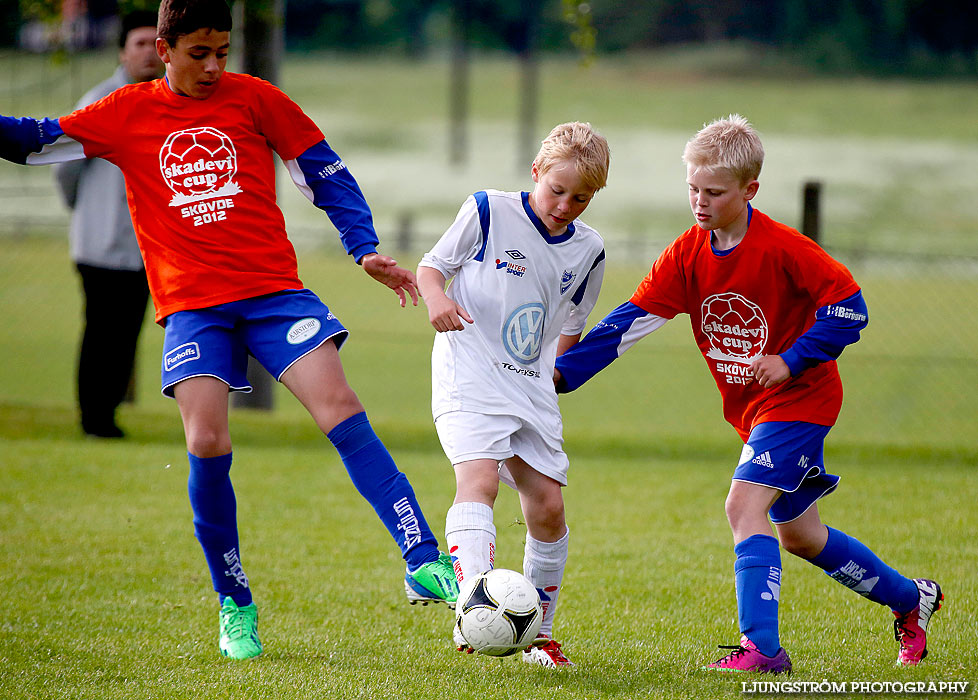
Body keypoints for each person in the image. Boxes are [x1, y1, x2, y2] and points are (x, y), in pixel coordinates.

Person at [0, 0, 458, 660]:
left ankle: (422, 558)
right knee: (207, 439)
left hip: (274, 295)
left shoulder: (256, 100)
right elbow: (31, 139)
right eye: (199, 53)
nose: (215, 66)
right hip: (194, 308)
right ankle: (234, 602)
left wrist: (363, 248)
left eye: (224, 51)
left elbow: (325, 172)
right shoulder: (125, 114)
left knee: (341, 407)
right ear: (163, 49)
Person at [554, 115, 942, 673]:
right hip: (754, 412)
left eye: (713, 192)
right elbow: (629, 322)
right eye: (692, 188)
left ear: (749, 191)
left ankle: (763, 650)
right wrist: (562, 374)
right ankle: (913, 601)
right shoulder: (687, 254)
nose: (699, 201)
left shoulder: (784, 248)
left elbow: (849, 308)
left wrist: (790, 360)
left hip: (801, 401)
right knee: (801, 536)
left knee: (743, 506)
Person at [417, 122, 610, 668]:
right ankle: (471, 609)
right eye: (557, 190)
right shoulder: (487, 210)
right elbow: (433, 268)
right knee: (478, 482)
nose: (566, 205)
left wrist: (554, 372)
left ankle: (539, 635)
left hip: (528, 385)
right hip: (470, 368)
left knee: (549, 508)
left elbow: (571, 321)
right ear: (536, 172)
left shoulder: (589, 250)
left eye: (581, 197)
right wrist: (435, 299)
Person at [53, 10, 162, 439]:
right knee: (101, 331)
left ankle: (108, 413)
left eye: (156, 44)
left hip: (146, 249)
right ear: (122, 50)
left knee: (126, 334)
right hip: (100, 243)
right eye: (139, 43)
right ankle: (94, 417)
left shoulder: (167, 103)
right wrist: (84, 211)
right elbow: (64, 167)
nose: (149, 53)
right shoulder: (99, 102)